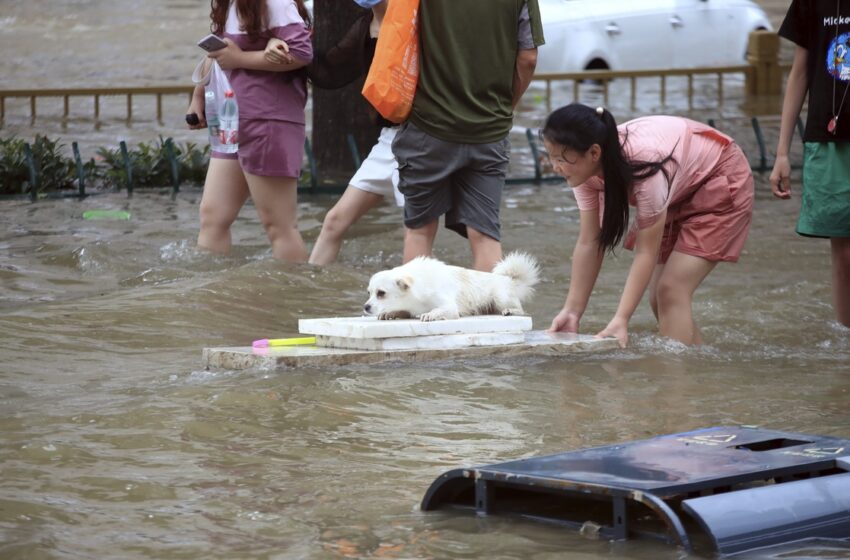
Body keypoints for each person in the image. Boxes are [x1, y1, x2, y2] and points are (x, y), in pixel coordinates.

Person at [541, 104, 755, 347]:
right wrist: (572, 311)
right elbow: (590, 241)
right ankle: (700, 371)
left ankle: (677, 380)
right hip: (678, 187)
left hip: (718, 176)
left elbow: (646, 251)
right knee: (659, 299)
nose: (555, 167)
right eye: (551, 156)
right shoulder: (582, 172)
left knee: (671, 291)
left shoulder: (646, 166)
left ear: (594, 153)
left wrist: (621, 319)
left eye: (561, 158)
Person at [391, 0, 545, 272]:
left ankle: (414, 312)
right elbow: (528, 58)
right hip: (490, 130)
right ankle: (489, 311)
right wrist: (506, 105)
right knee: (484, 233)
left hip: (428, 124)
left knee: (420, 230)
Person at [265, 0, 404, 266]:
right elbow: (328, 71)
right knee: (333, 222)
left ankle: (426, 299)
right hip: (389, 140)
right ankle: (312, 296)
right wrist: (287, 46)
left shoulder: (414, 23)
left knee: (418, 229)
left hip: (420, 137)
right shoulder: (365, 25)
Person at [186, 0, 312, 262]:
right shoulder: (229, 5)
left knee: (279, 226)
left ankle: (295, 296)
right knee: (213, 217)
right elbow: (219, 53)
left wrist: (240, 58)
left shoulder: (275, 3)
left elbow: (302, 52)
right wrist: (198, 96)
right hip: (232, 121)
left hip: (268, 121)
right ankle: (213, 296)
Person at [769, 0, 850, 328]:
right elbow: (800, 72)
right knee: (844, 254)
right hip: (827, 139)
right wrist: (782, 153)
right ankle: (845, 340)